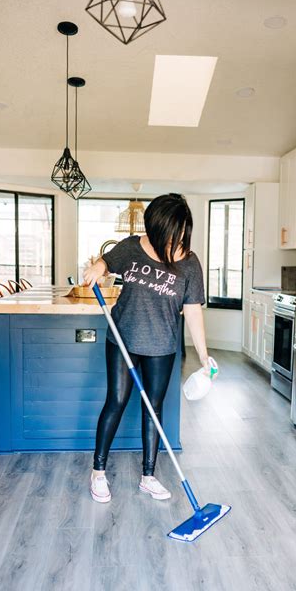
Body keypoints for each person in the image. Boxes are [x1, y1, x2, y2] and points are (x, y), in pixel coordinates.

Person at [83, 193, 213, 503]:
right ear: (155, 231)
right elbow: (106, 261)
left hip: (162, 346)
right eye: (170, 237)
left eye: (182, 236)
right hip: (123, 340)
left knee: (153, 411)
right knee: (116, 401)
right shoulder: (132, 247)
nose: (176, 243)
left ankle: (148, 476)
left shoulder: (190, 264)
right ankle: (98, 472)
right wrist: (97, 269)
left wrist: (204, 355)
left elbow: (193, 310)